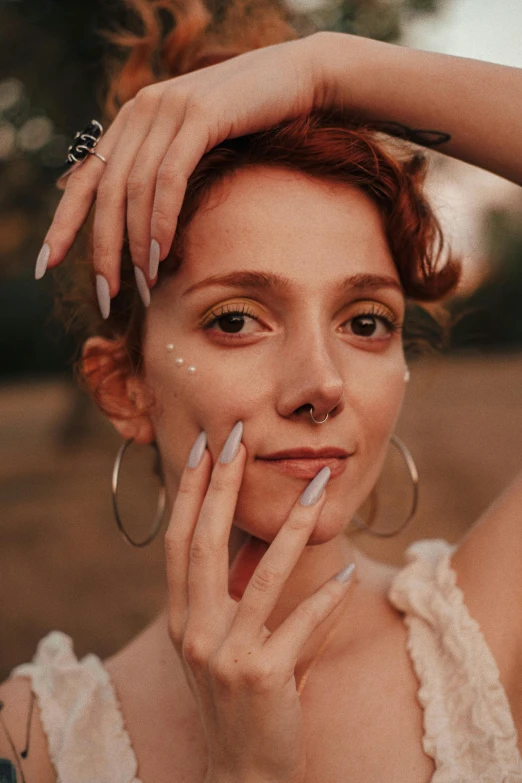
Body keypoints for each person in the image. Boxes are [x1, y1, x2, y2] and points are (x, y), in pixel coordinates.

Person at [1, 1, 522, 781]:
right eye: (238, 318)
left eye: (367, 320)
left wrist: (327, 67)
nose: (321, 384)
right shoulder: (33, 740)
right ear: (125, 389)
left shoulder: (488, 633)